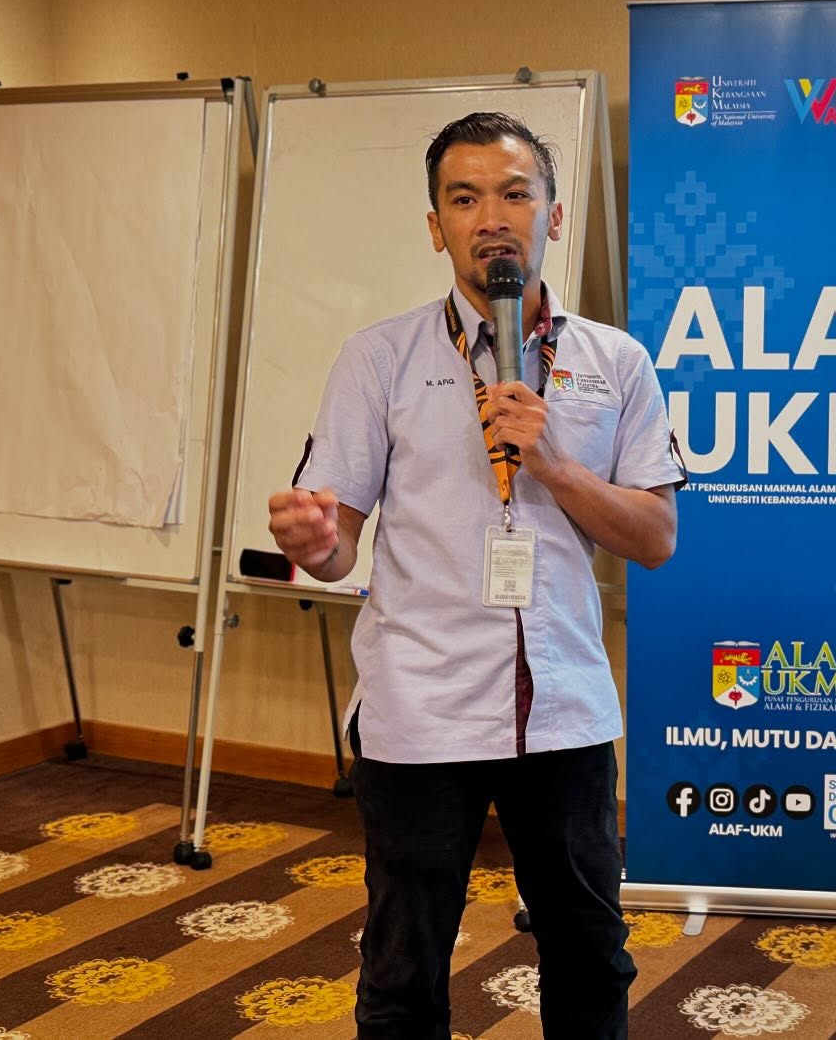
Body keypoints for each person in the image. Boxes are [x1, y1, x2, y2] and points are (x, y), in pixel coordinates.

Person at [266, 112, 683, 1039]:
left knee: (590, 952)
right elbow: (337, 547)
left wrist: (557, 467)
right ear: (436, 226)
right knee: (405, 964)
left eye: (513, 193)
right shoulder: (379, 358)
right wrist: (312, 540)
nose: (491, 217)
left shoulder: (615, 362)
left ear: (553, 215)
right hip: (421, 706)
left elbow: (656, 538)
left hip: (564, 709)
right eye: (464, 199)